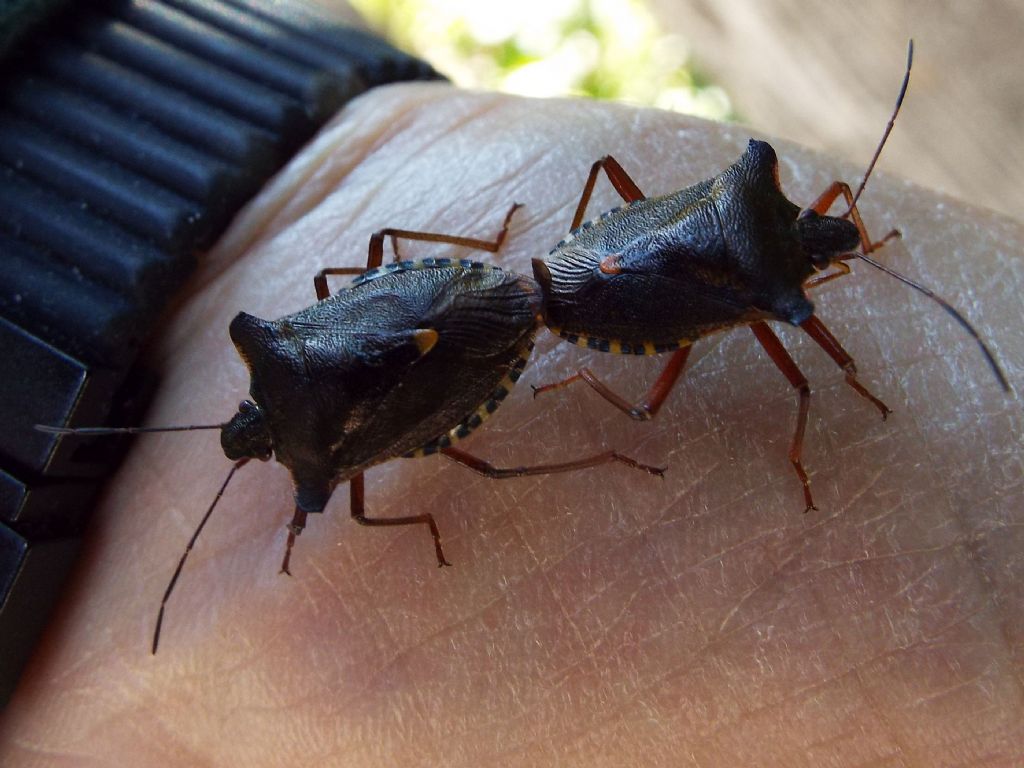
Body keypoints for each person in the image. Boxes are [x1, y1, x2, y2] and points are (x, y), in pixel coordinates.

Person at [1, 82, 1019, 765]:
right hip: (529, 282)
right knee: (733, 384)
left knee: (505, 446)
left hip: (557, 281)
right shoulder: (305, 408)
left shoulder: (335, 466)